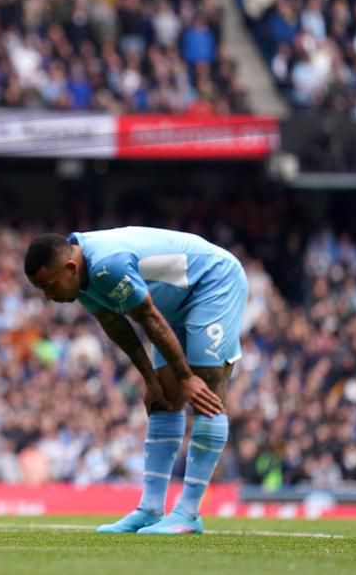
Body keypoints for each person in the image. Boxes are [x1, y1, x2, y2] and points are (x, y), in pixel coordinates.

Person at [24, 227, 247, 534]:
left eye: (49, 286)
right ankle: (151, 509)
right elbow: (114, 324)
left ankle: (189, 512)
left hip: (212, 283)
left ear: (70, 267)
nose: (48, 297)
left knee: (205, 386)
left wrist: (186, 377)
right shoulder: (81, 278)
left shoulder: (107, 264)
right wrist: (150, 379)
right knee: (163, 398)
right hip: (172, 305)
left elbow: (148, 318)